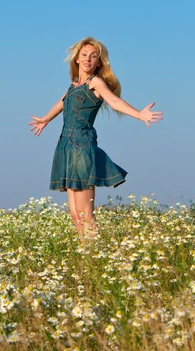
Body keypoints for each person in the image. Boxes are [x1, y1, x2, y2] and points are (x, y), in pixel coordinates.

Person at [29, 37, 163, 240]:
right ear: (76, 59)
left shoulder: (96, 82)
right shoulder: (74, 86)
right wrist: (45, 119)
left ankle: (94, 255)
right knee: (75, 215)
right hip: (66, 146)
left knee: (85, 214)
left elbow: (114, 102)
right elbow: (62, 102)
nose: (88, 59)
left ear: (99, 62)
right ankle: (86, 255)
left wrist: (139, 114)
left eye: (93, 57)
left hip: (82, 147)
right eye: (84, 55)